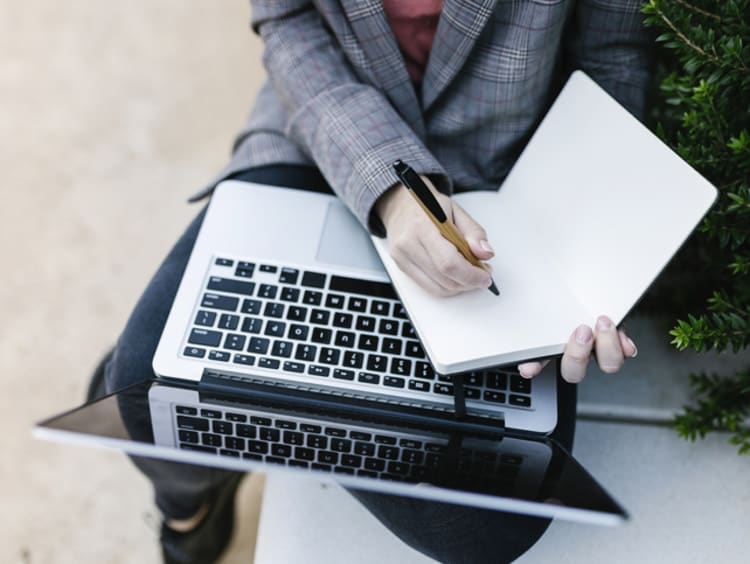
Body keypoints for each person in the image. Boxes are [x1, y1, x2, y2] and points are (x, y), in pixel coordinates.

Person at [101, 1, 652, 562]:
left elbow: (612, 60)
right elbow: (289, 23)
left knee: (488, 520)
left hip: (506, 197)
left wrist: (593, 258)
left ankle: (232, 424)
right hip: (320, 134)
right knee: (139, 389)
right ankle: (192, 496)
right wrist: (386, 186)